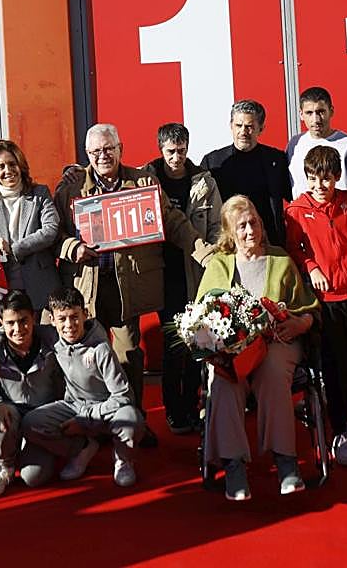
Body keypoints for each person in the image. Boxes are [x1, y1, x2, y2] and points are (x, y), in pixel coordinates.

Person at [54, 123, 211, 418]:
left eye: (109, 149)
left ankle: (133, 417)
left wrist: (203, 252)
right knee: (86, 356)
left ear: (120, 149)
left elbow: (172, 221)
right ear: (87, 154)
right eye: (96, 151)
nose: (103, 156)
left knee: (127, 355)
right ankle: (90, 420)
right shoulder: (71, 188)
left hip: (125, 285)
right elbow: (54, 232)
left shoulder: (143, 182)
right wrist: (71, 248)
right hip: (87, 285)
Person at [199, 195, 319, 500]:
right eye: (242, 226)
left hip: (277, 340)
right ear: (229, 232)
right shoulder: (218, 266)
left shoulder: (280, 260)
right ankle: (234, 465)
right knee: (225, 382)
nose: (250, 230)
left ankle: (286, 462)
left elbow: (308, 309)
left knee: (274, 373)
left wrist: (301, 324)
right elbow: (200, 318)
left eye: (254, 222)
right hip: (235, 350)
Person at [284, 145, 347, 467]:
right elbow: (294, 248)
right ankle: (339, 429)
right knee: (333, 364)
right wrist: (312, 266)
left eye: (327, 179)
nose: (320, 185)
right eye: (313, 179)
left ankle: (346, 420)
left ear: (337, 178)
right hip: (325, 300)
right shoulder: (296, 210)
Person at [142, 122, 222, 435]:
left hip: (195, 271)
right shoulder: (145, 178)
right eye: (170, 151)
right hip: (162, 271)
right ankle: (174, 409)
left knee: (197, 341)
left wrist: (212, 252)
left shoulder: (204, 181)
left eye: (181, 150)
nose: (176, 157)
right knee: (174, 343)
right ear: (160, 149)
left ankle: (192, 404)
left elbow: (216, 223)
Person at [19, 287, 144, 488]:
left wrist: (85, 419)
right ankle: (80, 449)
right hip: (73, 406)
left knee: (132, 419)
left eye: (74, 317)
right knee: (30, 422)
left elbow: (123, 396)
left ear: (85, 314)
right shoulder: (52, 336)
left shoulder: (100, 348)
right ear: (51, 319)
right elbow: (14, 328)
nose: (69, 325)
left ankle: (123, 460)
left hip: (105, 409)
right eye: (62, 319)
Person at [0, 290, 78, 498]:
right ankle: (4, 466)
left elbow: (80, 329)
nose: (18, 329)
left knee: (34, 477)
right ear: (1, 323)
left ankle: (72, 448)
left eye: (24, 321)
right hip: (13, 416)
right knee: (2, 418)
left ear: (34, 318)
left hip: (44, 420)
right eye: (11, 323)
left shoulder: (52, 340)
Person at [0, 139, 61, 312]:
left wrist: (13, 248)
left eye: (12, 164)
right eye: (1, 166)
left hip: (41, 286)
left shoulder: (40, 194)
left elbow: (51, 230)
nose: (8, 170)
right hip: (4, 291)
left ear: (20, 165)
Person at [202, 99, 294, 246]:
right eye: (238, 125)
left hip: (269, 244)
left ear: (261, 128)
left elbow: (294, 198)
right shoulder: (213, 162)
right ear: (231, 126)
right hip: (229, 243)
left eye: (249, 126)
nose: (243, 132)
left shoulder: (276, 160)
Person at [286, 86, 347, 200]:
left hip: (341, 215)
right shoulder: (294, 144)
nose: (316, 119)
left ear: (331, 111)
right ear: (301, 115)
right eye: (309, 113)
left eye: (321, 112)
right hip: (303, 217)